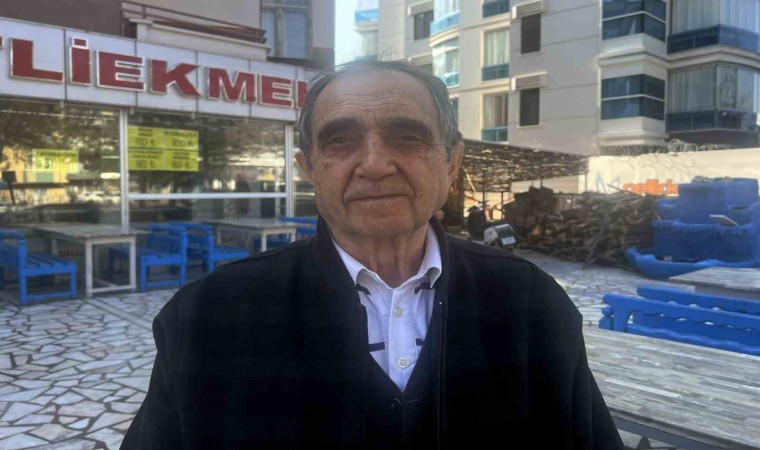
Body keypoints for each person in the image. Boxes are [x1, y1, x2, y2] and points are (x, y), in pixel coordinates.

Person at [121, 60, 623, 449]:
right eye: (340, 140)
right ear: (308, 169)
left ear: (452, 164)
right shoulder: (208, 317)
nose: (376, 164)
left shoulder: (531, 303)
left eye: (408, 136)